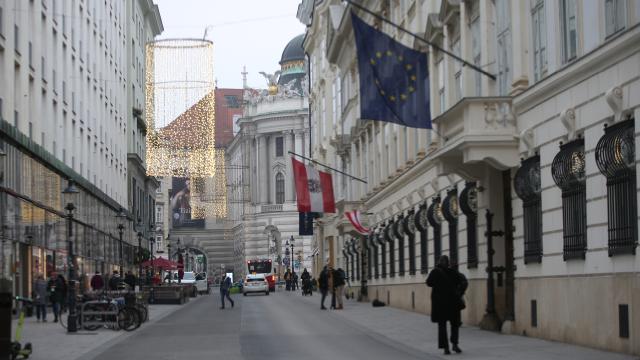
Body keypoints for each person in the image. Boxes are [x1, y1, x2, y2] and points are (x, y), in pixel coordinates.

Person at [426, 255, 466, 355]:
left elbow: (429, 283)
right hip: (453, 303)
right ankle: (455, 345)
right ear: (448, 263)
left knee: (442, 326)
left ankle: (446, 348)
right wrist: (459, 293)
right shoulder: (453, 272)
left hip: (440, 304)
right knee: (454, 325)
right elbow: (462, 282)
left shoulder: (435, 272)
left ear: (439, 262)